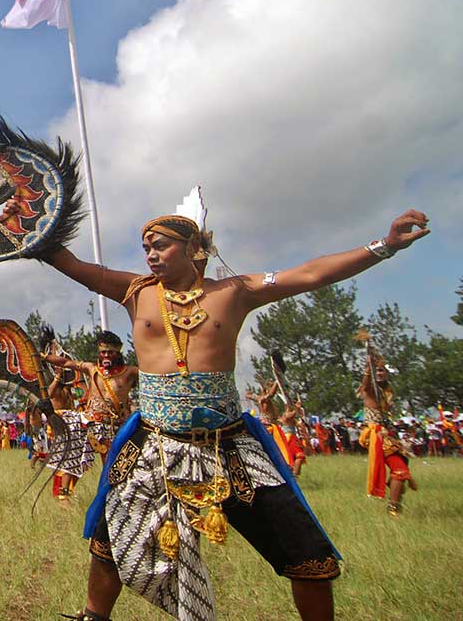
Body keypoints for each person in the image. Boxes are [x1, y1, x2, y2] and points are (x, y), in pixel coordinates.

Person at [46, 194, 429, 621]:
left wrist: (386, 245)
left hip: (229, 445)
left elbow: (310, 274)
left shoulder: (234, 291)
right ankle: (93, 617)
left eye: (162, 245)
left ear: (194, 250)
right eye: (147, 248)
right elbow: (74, 266)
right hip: (153, 440)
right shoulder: (135, 292)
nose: (151, 254)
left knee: (306, 551)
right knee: (112, 535)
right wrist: (33, 229)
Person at [43, 332, 138, 462]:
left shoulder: (130, 372)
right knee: (71, 458)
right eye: (103, 352)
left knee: (114, 463)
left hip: (116, 426)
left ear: (118, 352)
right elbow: (66, 363)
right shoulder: (92, 368)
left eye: (110, 352)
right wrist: (44, 357)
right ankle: (65, 482)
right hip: (91, 423)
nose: (106, 356)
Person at [357, 351, 416, 516]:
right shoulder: (368, 389)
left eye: (382, 370)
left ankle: (393, 487)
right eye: (377, 370)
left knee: (402, 463)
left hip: (388, 434)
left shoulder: (387, 391)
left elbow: (388, 409)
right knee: (400, 470)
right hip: (377, 436)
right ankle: (393, 508)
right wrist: (368, 367)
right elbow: (366, 382)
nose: (380, 373)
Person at [44, 365, 95, 501]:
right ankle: (63, 493)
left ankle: (67, 491)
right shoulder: (55, 387)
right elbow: (49, 394)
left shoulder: (69, 389)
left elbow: (81, 396)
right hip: (62, 424)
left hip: (75, 425)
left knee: (78, 460)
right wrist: (57, 377)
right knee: (66, 461)